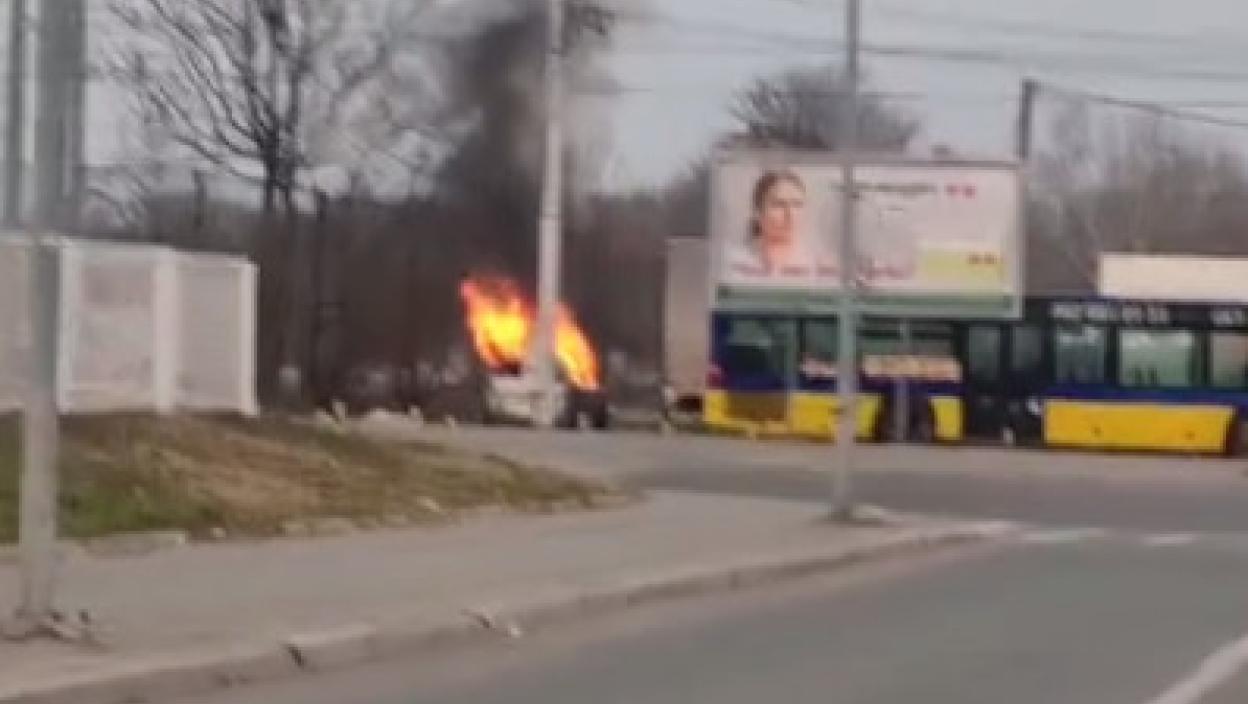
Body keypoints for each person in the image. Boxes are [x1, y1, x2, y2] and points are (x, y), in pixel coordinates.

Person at [727, 170, 823, 280]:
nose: (790, 214)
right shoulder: (735, 264)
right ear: (757, 212)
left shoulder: (818, 267)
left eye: (797, 204)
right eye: (779, 204)